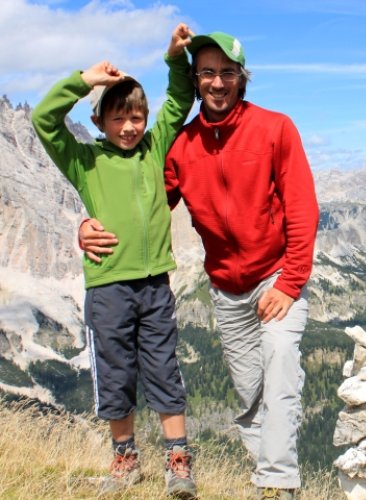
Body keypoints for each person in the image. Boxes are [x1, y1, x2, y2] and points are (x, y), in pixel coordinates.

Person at [80, 31, 320, 499]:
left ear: (241, 79)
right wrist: (87, 224)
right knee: (249, 392)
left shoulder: (276, 128)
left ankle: (277, 485)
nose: (217, 82)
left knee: (282, 365)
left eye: (227, 73)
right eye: (207, 72)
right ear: (196, 79)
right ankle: (264, 473)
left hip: (276, 277)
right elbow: (145, 208)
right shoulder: (182, 144)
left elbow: (302, 208)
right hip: (227, 290)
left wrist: (290, 283)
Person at [33, 24, 198, 498]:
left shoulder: (154, 146)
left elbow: (179, 100)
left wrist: (172, 58)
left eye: (137, 117)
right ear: (101, 120)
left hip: (153, 283)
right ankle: (125, 461)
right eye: (119, 118)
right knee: (116, 373)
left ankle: (178, 461)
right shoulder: (83, 161)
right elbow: (44, 119)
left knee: (164, 368)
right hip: (107, 287)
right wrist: (85, 80)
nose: (130, 127)